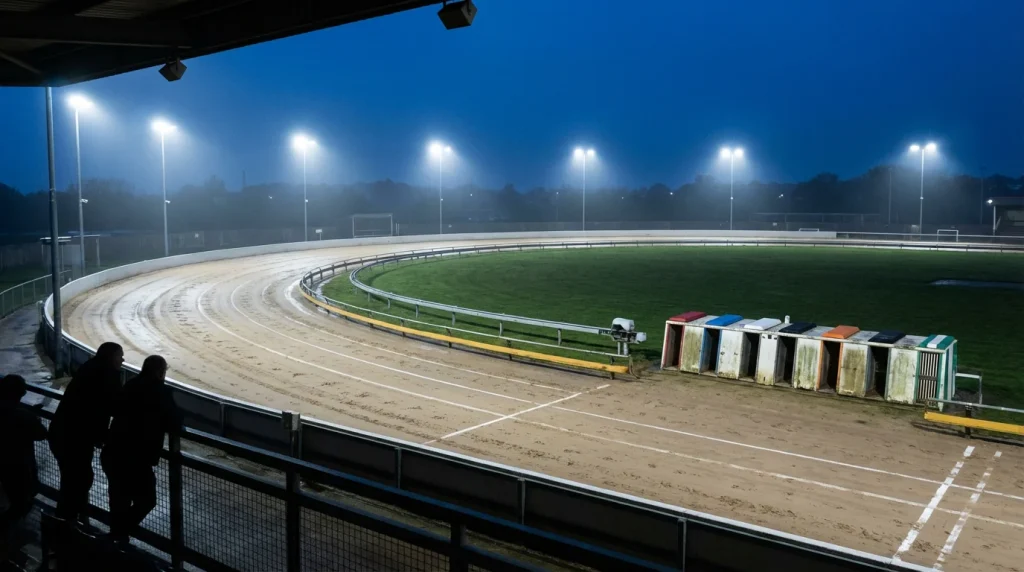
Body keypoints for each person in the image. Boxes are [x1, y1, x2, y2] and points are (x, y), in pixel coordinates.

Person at [101, 355, 181, 544]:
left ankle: (117, 537)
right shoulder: (161, 391)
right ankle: (119, 534)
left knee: (119, 499)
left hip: (114, 451)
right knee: (147, 500)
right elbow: (175, 422)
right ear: (161, 372)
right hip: (136, 457)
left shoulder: (130, 385)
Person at [47, 342, 124, 527]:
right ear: (110, 357)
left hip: (64, 433)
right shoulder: (107, 374)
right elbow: (114, 405)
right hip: (76, 438)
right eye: (119, 356)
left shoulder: (89, 367)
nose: (122, 359)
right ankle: (68, 524)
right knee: (78, 480)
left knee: (73, 480)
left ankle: (71, 520)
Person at [0, 374, 47, 568]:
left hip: (5, 467)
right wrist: (33, 417)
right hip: (19, 468)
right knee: (21, 503)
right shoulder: (22, 415)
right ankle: (7, 543)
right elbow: (41, 435)